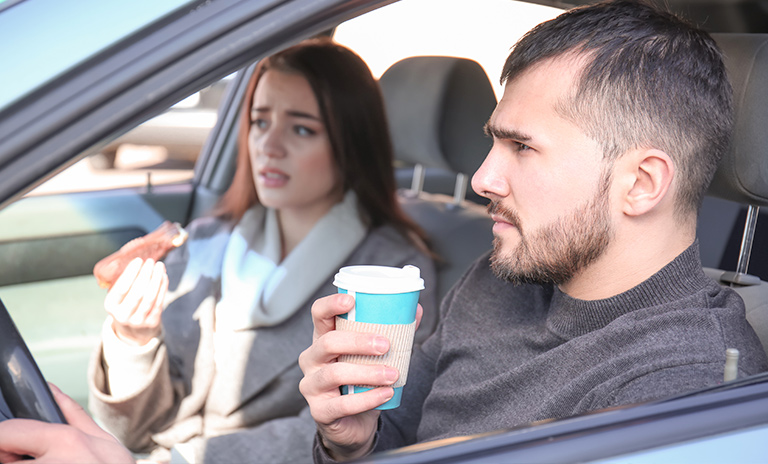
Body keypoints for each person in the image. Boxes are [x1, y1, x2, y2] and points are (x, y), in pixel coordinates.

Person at [297, 1, 768, 462]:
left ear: (641, 184)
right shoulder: (497, 279)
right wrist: (353, 441)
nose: (483, 179)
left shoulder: (684, 386)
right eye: (495, 141)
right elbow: (398, 433)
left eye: (522, 146)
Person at [85, 38, 436, 464]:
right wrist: (133, 341)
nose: (269, 146)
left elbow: (360, 426)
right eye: (259, 121)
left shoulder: (390, 276)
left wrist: (180, 460)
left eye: (302, 128)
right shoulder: (204, 240)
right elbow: (129, 431)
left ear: (351, 144)